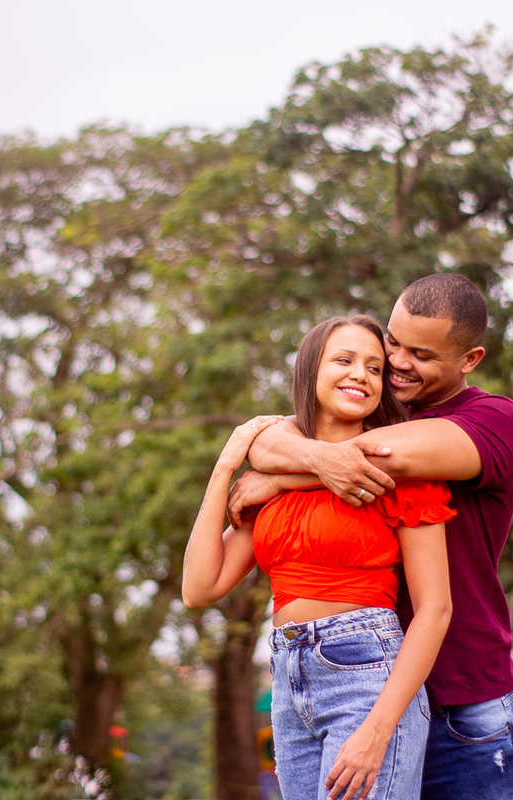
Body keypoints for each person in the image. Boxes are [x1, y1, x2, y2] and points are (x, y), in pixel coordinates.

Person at [235, 274, 513, 800]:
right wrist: (283, 457)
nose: (396, 361)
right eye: (393, 342)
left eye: (421, 353)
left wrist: (282, 471)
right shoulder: (372, 409)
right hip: (364, 691)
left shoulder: (492, 421)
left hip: (465, 708)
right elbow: (266, 438)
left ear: (469, 359)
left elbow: (379, 458)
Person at [182, 315, 455, 800]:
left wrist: (378, 729)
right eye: (344, 360)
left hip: (369, 676)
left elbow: (435, 610)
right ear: (310, 371)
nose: (361, 375)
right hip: (289, 682)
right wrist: (226, 467)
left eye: (375, 368)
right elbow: (199, 588)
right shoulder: (270, 484)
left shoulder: (399, 469)